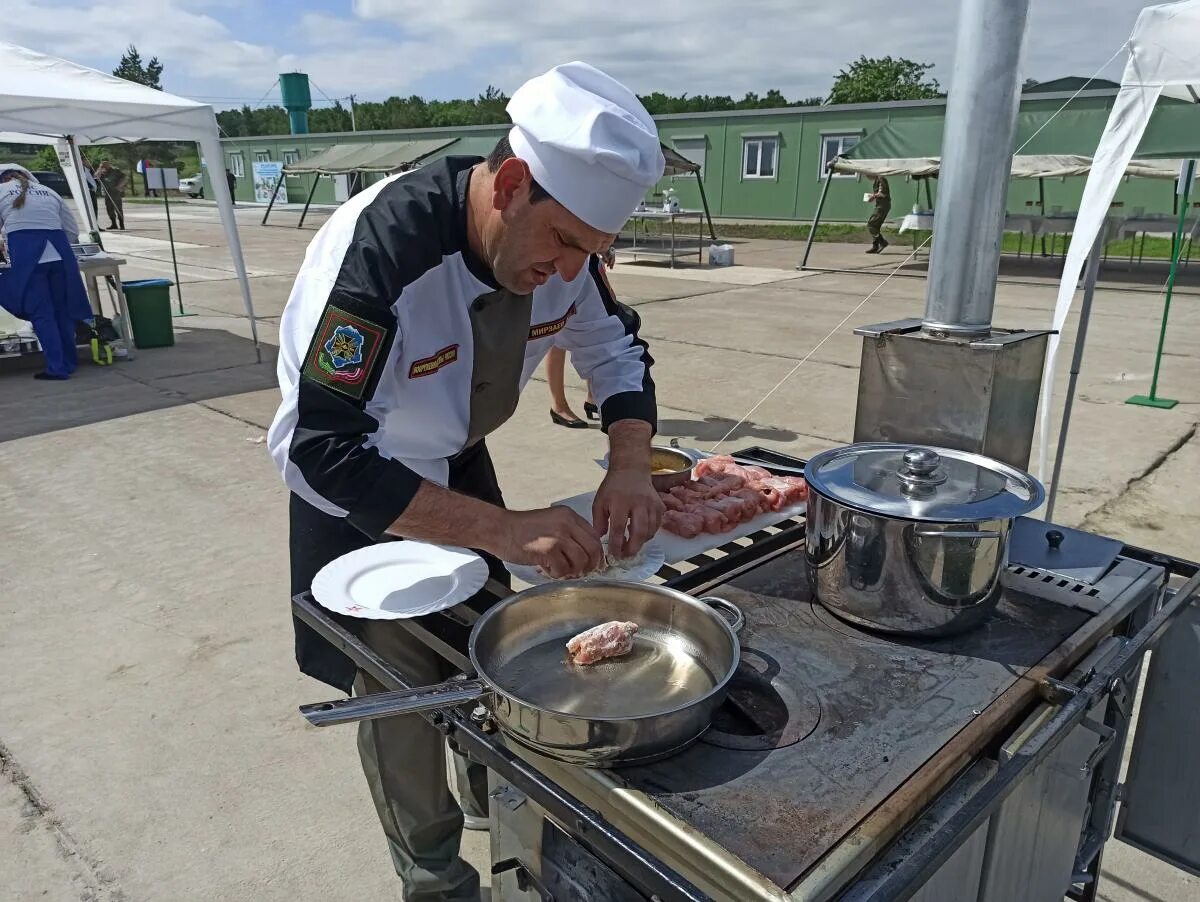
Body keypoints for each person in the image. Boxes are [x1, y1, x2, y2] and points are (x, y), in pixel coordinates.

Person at [266, 62, 665, 901]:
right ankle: (435, 874)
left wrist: (629, 463)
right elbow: (321, 447)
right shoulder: (384, 250)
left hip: (453, 458)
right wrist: (499, 529)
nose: (567, 274)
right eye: (561, 244)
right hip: (359, 485)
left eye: (589, 254)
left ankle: (497, 796)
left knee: (493, 646)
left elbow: (615, 351)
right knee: (398, 693)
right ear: (512, 183)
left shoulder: (566, 249)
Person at [0, 165, 94, 380]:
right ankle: (69, 363)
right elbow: (71, 231)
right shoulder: (50, 192)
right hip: (60, 254)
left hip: (29, 255)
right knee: (63, 312)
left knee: (42, 313)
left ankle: (56, 368)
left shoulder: (1, 192)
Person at [546, 245, 616, 427]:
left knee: (593, 330)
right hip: (559, 260)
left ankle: (593, 398)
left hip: (584, 260)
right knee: (556, 334)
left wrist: (604, 246)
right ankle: (559, 405)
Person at [95, 160, 126, 230]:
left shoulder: (115, 171)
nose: (104, 166)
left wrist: (119, 186)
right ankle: (114, 224)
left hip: (115, 193)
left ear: (109, 164)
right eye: (103, 165)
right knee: (109, 209)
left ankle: (122, 224)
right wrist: (99, 169)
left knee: (118, 209)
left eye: (105, 164)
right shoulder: (102, 172)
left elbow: (124, 178)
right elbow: (96, 177)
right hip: (107, 194)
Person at [866, 174, 891, 254]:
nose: (867, 177)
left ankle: (883, 242)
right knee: (876, 226)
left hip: (882, 206)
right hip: (881, 205)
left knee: (871, 224)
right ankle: (875, 246)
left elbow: (882, 193)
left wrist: (873, 196)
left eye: (867, 174)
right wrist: (873, 197)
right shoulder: (877, 180)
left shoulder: (881, 179)